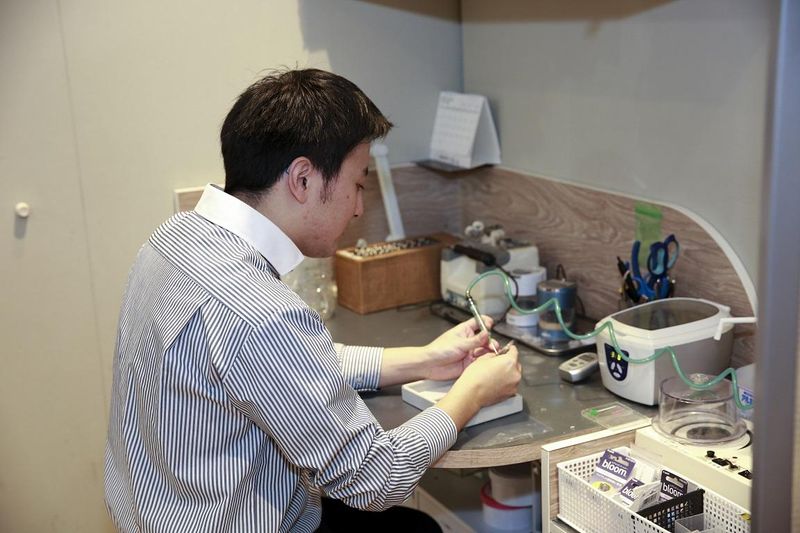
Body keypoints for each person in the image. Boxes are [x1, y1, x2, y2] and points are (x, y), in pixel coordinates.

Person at [104, 68, 521, 532]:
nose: (358, 208)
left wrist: (424, 360)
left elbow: (284, 369)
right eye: (358, 184)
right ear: (302, 179)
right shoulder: (260, 312)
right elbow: (376, 478)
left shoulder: (173, 240)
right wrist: (471, 393)